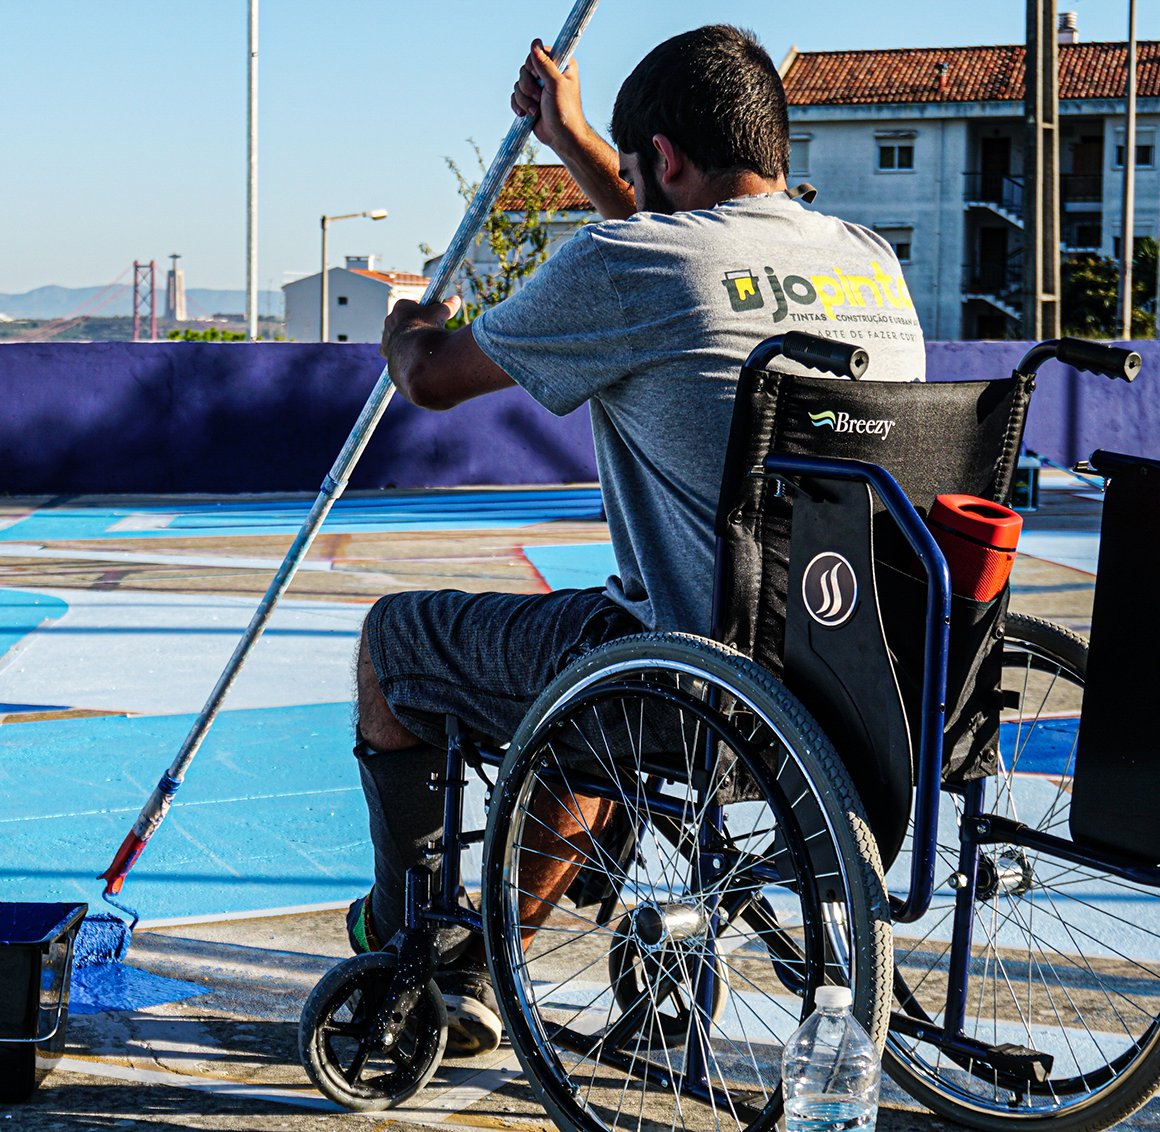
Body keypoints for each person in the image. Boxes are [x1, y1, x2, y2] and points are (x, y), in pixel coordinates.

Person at [349, 24, 927, 1057]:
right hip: (859, 681)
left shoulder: (627, 262)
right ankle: (498, 943)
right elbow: (691, 271)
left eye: (630, 167)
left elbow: (433, 377)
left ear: (659, 158)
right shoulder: (867, 261)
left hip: (693, 686)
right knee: (594, 653)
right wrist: (573, 144)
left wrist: (401, 317)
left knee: (399, 648)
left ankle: (414, 951)